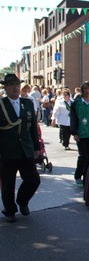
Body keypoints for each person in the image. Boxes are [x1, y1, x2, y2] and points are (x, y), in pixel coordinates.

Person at [0, 74, 41, 223]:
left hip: (26, 149)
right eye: (11, 84)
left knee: (33, 180)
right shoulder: (1, 104)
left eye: (17, 84)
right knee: (8, 183)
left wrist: (37, 147)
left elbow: (33, 129)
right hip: (7, 150)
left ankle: (22, 201)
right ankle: (10, 210)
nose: (15, 87)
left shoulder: (27, 103)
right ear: (5, 87)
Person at [70, 81, 89, 186]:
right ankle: (78, 175)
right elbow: (73, 119)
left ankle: (87, 178)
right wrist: (74, 132)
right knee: (83, 156)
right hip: (81, 134)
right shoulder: (76, 103)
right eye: (85, 89)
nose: (87, 91)